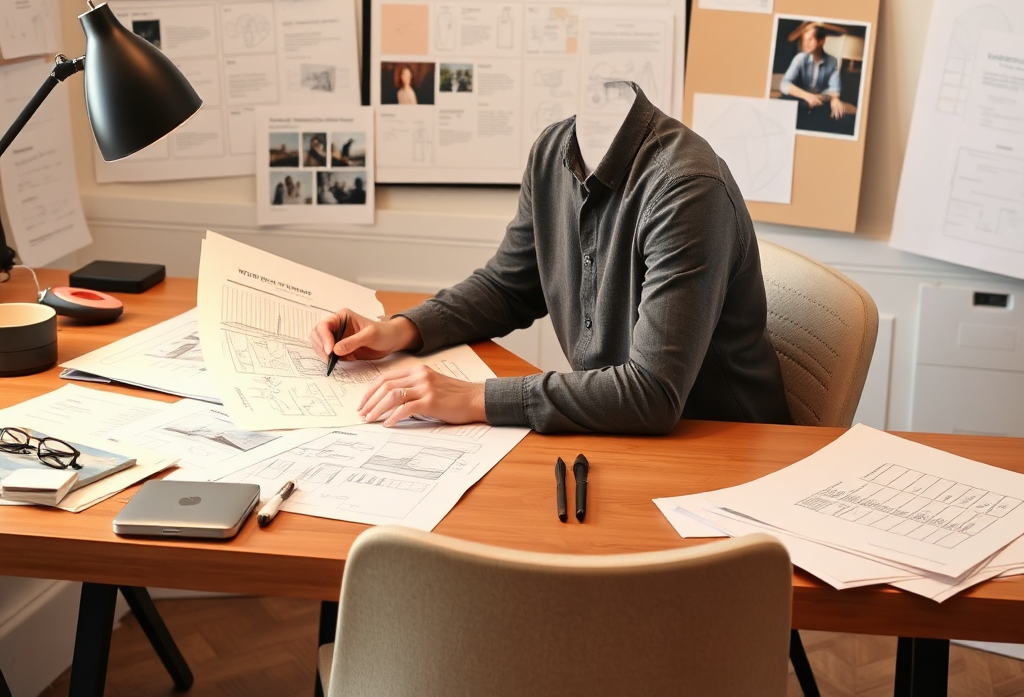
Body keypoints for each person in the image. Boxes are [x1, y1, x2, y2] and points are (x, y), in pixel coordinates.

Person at [310, 82, 792, 434]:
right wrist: (397, 331)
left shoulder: (686, 189)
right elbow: (508, 287)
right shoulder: (554, 151)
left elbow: (651, 395)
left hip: (726, 448)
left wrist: (475, 397)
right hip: (621, 435)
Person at [779, 24, 845, 121]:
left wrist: (834, 99)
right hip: (800, 100)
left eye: (810, 40)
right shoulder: (800, 58)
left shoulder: (831, 61)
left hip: (820, 102)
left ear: (821, 41)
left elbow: (834, 87)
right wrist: (808, 96)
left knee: (838, 114)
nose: (805, 43)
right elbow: (784, 84)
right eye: (804, 40)